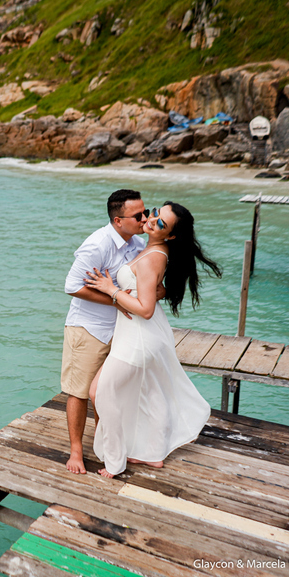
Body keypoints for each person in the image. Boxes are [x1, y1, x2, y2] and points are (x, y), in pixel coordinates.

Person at [84, 201, 222, 478]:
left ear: (170, 235)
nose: (152, 219)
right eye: (156, 212)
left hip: (138, 338)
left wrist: (111, 290)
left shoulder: (153, 257)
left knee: (99, 393)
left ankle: (115, 462)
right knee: (151, 391)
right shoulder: (156, 251)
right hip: (142, 336)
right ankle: (154, 454)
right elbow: (151, 293)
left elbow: (145, 309)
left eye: (160, 223)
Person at [61, 189, 148, 474]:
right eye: (138, 215)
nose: (144, 218)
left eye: (146, 212)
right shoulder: (98, 245)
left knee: (109, 390)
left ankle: (106, 446)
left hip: (122, 329)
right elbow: (72, 285)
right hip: (89, 328)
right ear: (118, 220)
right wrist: (114, 297)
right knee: (80, 391)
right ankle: (76, 450)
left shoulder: (138, 243)